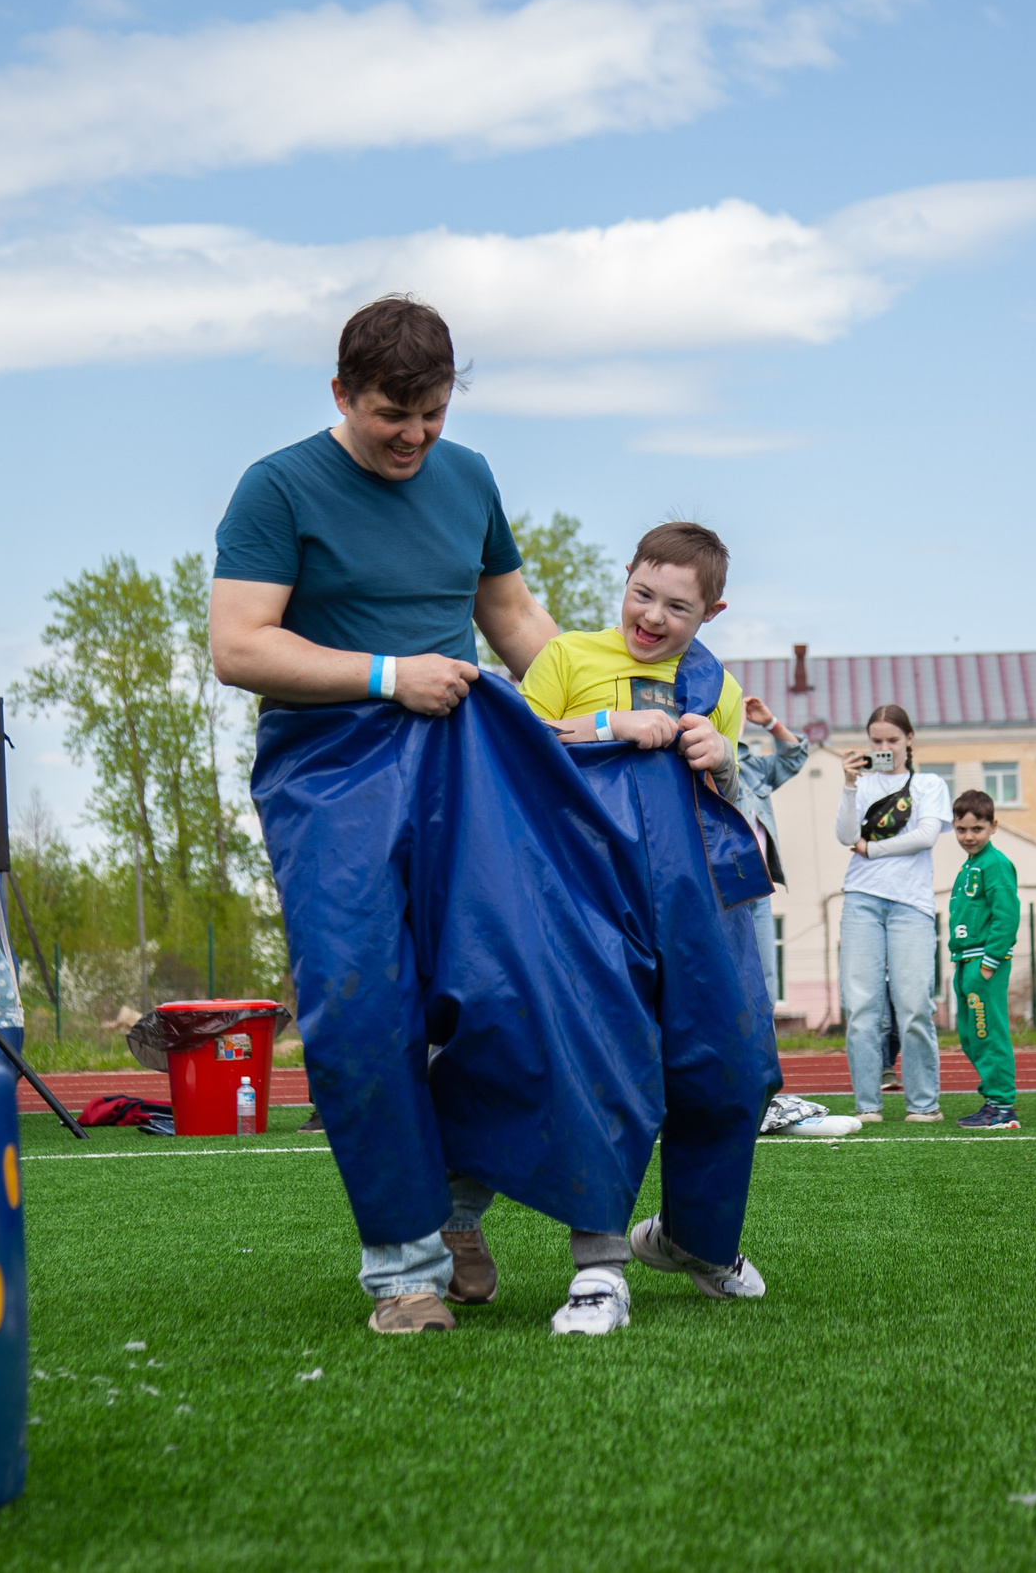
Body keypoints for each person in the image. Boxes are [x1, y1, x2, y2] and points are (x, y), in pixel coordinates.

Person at [210, 296, 558, 1334]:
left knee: (510, 988)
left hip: (466, 754)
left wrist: (598, 717)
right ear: (340, 396)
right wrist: (385, 674)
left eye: (432, 416)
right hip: (329, 770)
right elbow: (238, 645)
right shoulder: (275, 487)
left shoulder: (469, 476)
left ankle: (454, 1203)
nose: (412, 438)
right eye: (388, 417)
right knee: (362, 1006)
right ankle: (402, 1268)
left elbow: (511, 615)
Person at [501, 521, 766, 1333]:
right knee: (603, 1066)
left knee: (733, 1065)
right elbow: (510, 745)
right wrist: (612, 727)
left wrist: (722, 754)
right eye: (642, 594)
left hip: (693, 911)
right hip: (584, 899)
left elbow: (735, 799)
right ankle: (600, 1268)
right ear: (625, 578)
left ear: (711, 612)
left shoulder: (712, 684)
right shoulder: (569, 658)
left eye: (677, 607)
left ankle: (695, 1238)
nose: (650, 617)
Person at [834, 705, 950, 1124]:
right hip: (861, 899)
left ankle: (924, 1105)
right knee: (862, 1007)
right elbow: (846, 835)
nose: (884, 748)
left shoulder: (930, 784)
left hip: (911, 903)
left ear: (909, 739)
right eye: (876, 741)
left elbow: (926, 835)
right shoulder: (862, 785)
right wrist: (849, 785)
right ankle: (868, 1105)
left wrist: (872, 848)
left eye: (892, 740)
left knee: (914, 1004)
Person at [944, 790, 1020, 1129]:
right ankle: (992, 1100)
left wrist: (990, 962)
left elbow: (1007, 915)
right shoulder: (969, 865)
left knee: (989, 1033)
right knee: (971, 1036)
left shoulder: (996, 864)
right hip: (964, 960)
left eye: (976, 829)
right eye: (961, 829)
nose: (968, 836)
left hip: (983, 963)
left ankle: (1002, 1108)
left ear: (993, 827)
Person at [731, 694, 809, 977]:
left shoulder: (753, 768)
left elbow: (794, 757)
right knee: (733, 976)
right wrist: (728, 734)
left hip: (759, 885)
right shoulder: (701, 763)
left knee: (765, 977)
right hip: (724, 885)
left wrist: (771, 723)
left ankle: (766, 1022)